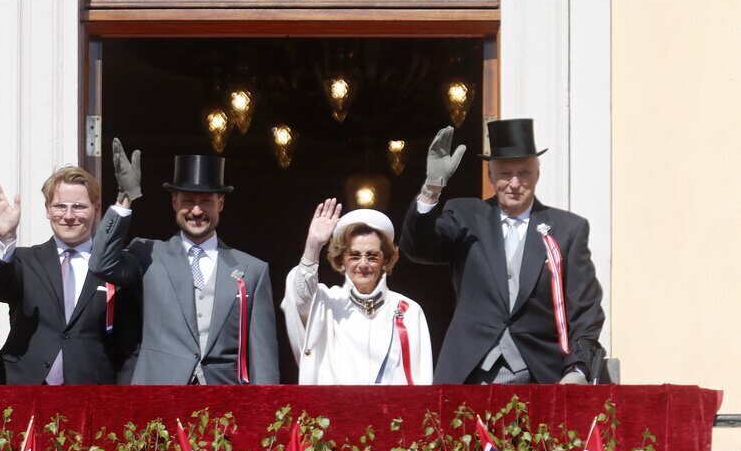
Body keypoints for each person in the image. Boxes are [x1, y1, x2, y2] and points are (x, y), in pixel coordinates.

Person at [399, 119, 605, 384]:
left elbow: (584, 307)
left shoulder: (568, 229)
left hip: (540, 375)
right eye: (506, 173)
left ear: (538, 173)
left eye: (524, 173)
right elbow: (417, 248)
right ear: (490, 175)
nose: (515, 183)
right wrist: (431, 188)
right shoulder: (465, 215)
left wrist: (578, 369)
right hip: (469, 373)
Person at [90, 142, 280, 384]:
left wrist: (264, 412)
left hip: (225, 405)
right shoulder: (147, 254)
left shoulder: (253, 270)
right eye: (188, 200)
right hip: (159, 400)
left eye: (207, 201)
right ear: (174, 203)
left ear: (221, 203)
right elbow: (100, 263)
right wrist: (125, 198)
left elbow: (263, 360)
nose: (197, 210)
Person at [0, 165, 140, 384]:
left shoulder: (116, 268)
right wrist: (5, 238)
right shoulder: (25, 260)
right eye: (60, 206)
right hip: (24, 389)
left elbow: (130, 344)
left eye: (79, 207)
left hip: (92, 392)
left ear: (97, 209)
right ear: (47, 209)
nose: (69, 216)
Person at [281, 199, 432, 385]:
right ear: (342, 260)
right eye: (354, 255)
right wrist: (313, 246)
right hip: (333, 411)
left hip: (392, 412)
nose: (363, 264)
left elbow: (422, 379)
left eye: (372, 256)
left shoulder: (408, 310)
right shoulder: (326, 301)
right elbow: (300, 297)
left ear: (386, 259)